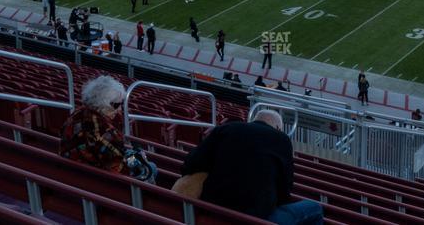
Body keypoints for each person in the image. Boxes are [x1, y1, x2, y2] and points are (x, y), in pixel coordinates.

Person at [177, 111, 322, 224]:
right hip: (257, 219)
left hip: (213, 210)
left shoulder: (226, 129)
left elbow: (190, 164)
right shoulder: (282, 140)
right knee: (315, 208)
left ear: (253, 121)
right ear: (278, 128)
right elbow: (285, 190)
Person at [60, 76, 154, 180]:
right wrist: (139, 157)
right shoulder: (104, 131)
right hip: (100, 182)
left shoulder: (76, 114)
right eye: (116, 105)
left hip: (73, 172)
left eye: (121, 104)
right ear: (102, 103)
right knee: (152, 167)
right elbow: (122, 165)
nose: (119, 109)